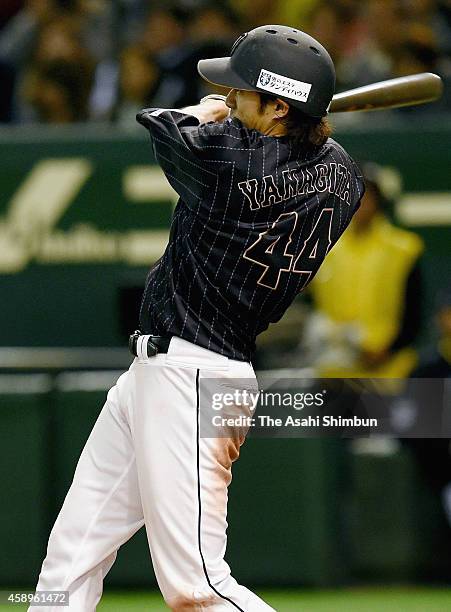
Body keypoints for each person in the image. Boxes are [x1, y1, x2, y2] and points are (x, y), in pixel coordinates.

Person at [30, 25, 364, 611]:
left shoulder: (225, 159)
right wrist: (256, 115)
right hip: (167, 371)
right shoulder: (342, 176)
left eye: (242, 91)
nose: (230, 97)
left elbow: (159, 121)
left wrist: (206, 112)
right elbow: (307, 148)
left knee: (197, 586)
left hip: (193, 375)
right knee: (72, 554)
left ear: (279, 106)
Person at [305, 163, 424, 377]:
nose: (359, 203)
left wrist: (388, 350)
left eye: (366, 196)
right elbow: (311, 303)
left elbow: (415, 311)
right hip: (335, 370)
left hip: (389, 371)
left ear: (379, 201)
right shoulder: (326, 246)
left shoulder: (404, 248)